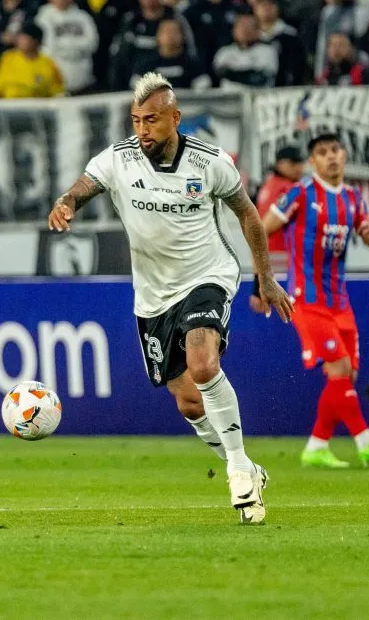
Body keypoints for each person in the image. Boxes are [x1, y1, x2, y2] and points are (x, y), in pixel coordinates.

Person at [47, 73, 292, 525]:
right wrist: (66, 204)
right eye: (137, 120)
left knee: (203, 364)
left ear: (175, 118)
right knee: (190, 403)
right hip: (153, 296)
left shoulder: (210, 162)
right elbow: (83, 186)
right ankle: (246, 465)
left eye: (152, 120)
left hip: (207, 276)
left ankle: (239, 472)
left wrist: (265, 278)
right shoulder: (119, 159)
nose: (143, 130)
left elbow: (247, 214)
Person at [260, 134, 369, 469]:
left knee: (346, 377)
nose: (331, 157)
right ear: (312, 162)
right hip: (306, 300)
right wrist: (262, 280)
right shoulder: (300, 193)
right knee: (339, 369)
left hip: (340, 302)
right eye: (322, 152)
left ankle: (317, 446)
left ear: (344, 155)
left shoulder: (353, 199)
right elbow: (261, 228)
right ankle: (366, 442)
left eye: (335, 151)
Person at [254, 145, 304, 280]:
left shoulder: (268, 185)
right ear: (280, 164)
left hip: (264, 258)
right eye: (293, 163)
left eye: (300, 163)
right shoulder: (288, 188)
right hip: (283, 260)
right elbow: (265, 227)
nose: (299, 168)